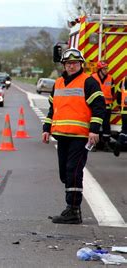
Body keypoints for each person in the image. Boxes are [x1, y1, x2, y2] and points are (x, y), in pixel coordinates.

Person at [42, 48, 105, 224]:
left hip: (80, 136)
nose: (72, 66)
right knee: (65, 173)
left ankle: (73, 210)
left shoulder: (89, 82)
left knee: (73, 171)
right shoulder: (59, 83)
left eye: (75, 63)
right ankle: (71, 208)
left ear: (81, 64)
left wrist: (94, 130)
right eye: (68, 63)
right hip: (61, 136)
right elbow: (52, 109)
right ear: (64, 65)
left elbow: (99, 107)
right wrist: (46, 128)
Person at [91, 61, 115, 151]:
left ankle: (106, 144)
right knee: (95, 124)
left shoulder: (110, 78)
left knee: (106, 125)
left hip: (107, 106)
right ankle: (93, 144)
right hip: (96, 106)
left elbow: (112, 91)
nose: (106, 70)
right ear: (100, 69)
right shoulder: (93, 77)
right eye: (104, 69)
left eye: (106, 68)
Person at [113, 76, 127, 157]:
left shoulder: (124, 80)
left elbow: (118, 95)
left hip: (124, 111)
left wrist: (120, 106)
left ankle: (119, 142)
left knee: (124, 130)